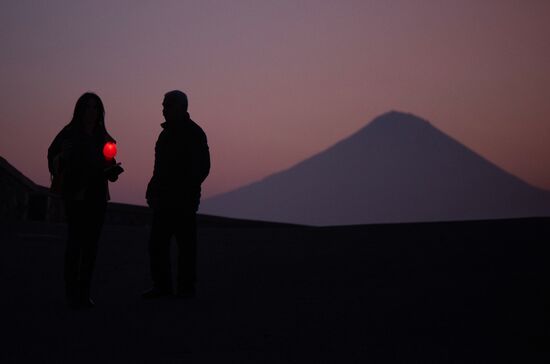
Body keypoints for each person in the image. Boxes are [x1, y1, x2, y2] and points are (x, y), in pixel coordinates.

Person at [47, 92, 123, 308]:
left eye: (95, 107)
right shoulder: (69, 134)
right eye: (88, 107)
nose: (91, 111)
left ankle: (84, 292)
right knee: (75, 243)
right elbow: (53, 155)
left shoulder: (103, 137)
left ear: (100, 112)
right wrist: (63, 159)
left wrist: (113, 171)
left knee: (91, 246)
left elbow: (109, 164)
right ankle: (71, 291)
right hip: (76, 194)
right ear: (80, 110)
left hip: (97, 196)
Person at [143, 90, 210, 299]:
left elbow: (203, 167)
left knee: (186, 247)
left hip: (184, 201)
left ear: (180, 108)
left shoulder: (195, 133)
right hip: (164, 200)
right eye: (163, 106)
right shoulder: (164, 135)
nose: (163, 110)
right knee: (158, 245)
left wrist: (188, 188)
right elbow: (159, 168)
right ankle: (162, 286)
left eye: (166, 106)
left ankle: (185, 288)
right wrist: (153, 187)